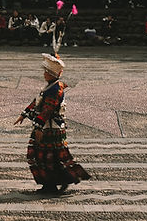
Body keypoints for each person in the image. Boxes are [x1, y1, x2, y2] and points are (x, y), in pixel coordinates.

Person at [15, 41, 90, 194]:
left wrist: (38, 127)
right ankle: (53, 183)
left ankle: (55, 183)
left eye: (46, 71)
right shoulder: (50, 86)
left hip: (50, 128)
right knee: (48, 157)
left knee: (47, 157)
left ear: (52, 74)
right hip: (47, 126)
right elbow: (37, 102)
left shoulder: (56, 89)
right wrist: (24, 114)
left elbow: (47, 110)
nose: (43, 74)